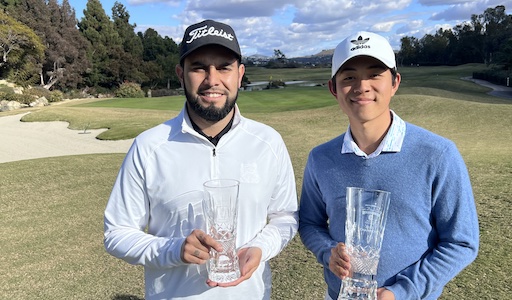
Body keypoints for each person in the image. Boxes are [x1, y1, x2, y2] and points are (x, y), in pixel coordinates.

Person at [104, 19, 299, 300]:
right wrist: (173, 249)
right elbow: (117, 232)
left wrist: (260, 248)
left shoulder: (268, 142)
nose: (212, 80)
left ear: (240, 74)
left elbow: (286, 217)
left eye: (224, 67)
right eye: (198, 67)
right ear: (181, 74)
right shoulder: (149, 146)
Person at [298, 31, 479, 300]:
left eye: (374, 74)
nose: (362, 86)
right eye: (349, 77)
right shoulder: (321, 158)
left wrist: (401, 291)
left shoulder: (438, 154)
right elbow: (310, 223)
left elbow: (461, 242)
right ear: (333, 88)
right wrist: (327, 252)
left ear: (395, 82)